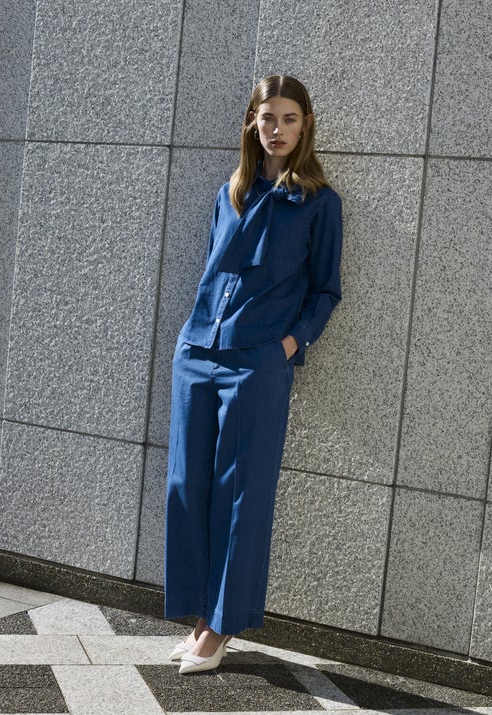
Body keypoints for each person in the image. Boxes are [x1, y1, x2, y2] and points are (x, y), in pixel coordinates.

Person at [165, 75, 343, 674]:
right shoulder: (231, 193)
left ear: (305, 126)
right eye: (268, 118)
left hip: (258, 362)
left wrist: (287, 346)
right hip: (197, 352)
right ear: (252, 122)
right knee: (186, 486)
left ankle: (220, 627)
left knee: (240, 494)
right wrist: (190, 340)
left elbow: (325, 291)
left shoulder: (319, 203)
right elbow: (211, 274)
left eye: (290, 119)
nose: (278, 130)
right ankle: (198, 615)